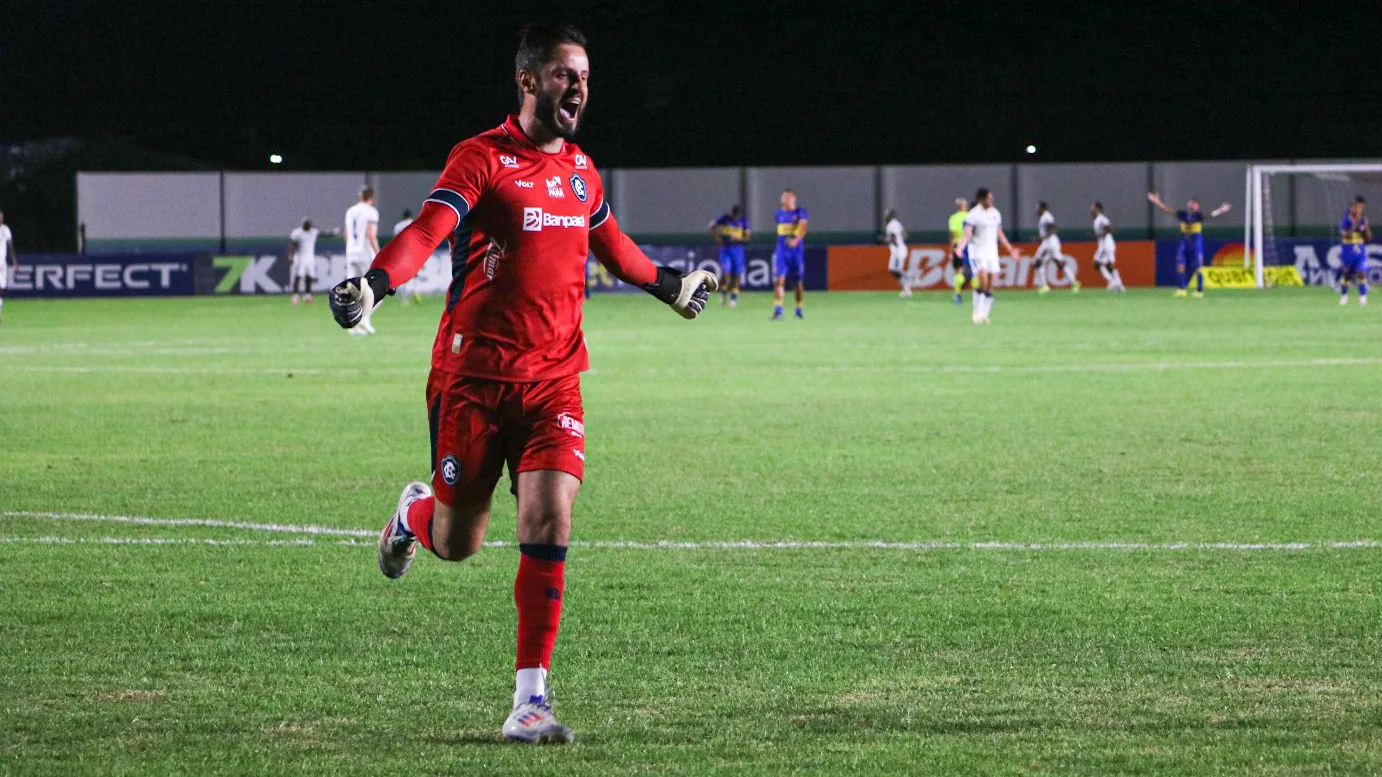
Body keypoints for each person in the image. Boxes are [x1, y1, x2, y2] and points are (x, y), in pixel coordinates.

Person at [327, 22, 715, 745]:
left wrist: (671, 285)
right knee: (458, 542)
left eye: (587, 78)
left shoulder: (581, 170)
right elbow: (426, 230)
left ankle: (529, 698)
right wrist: (376, 284)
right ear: (529, 80)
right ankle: (415, 513)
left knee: (550, 515)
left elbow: (614, 248)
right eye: (568, 75)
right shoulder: (482, 159)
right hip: (472, 379)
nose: (581, 89)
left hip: (554, 382)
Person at [954, 188, 1020, 324]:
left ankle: (984, 314)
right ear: (981, 200)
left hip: (992, 252)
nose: (992, 200)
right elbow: (967, 233)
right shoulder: (973, 214)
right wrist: (960, 248)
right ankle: (977, 313)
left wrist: (1011, 250)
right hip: (977, 251)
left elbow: (1000, 234)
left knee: (990, 285)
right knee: (982, 281)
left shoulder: (995, 213)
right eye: (989, 198)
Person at [1148, 192, 1230, 298]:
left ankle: (1200, 290)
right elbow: (1168, 210)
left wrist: (1221, 210)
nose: (1192, 205)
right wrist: (1157, 202)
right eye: (1191, 203)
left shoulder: (1198, 216)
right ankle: (1182, 289)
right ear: (1188, 204)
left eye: (1195, 204)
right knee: (1180, 265)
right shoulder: (1183, 214)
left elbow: (1209, 216)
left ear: (1198, 206)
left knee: (1198, 266)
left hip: (1195, 244)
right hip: (1184, 243)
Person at [344, 188, 381, 332]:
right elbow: (371, 235)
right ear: (371, 198)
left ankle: (352, 326)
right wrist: (378, 253)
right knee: (380, 287)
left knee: (354, 290)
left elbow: (346, 234)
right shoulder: (371, 212)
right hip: (365, 253)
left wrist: (350, 248)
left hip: (351, 253)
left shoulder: (350, 211)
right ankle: (364, 317)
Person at [771, 189, 808, 319]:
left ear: (793, 199)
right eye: (783, 197)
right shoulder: (778, 213)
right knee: (778, 280)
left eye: (787, 197)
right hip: (781, 252)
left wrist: (795, 240)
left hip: (796, 252)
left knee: (797, 281)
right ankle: (778, 311)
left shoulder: (800, 212)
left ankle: (798, 310)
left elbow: (803, 227)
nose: (783, 200)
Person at [287, 218, 338, 305]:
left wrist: (334, 232)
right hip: (300, 257)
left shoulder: (313, 232)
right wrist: (291, 255)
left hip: (310, 258)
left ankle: (307, 295)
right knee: (298, 276)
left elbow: (324, 234)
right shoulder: (297, 233)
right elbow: (292, 244)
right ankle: (295, 296)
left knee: (309, 276)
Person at [1032, 202, 1079, 294]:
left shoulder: (1046, 217)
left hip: (1049, 243)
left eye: (1037, 208)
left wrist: (1041, 238)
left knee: (1038, 261)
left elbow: (1054, 228)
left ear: (1042, 208)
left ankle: (1044, 286)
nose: (1036, 210)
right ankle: (1075, 282)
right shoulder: (1045, 217)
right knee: (1059, 263)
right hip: (1052, 243)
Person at [708, 205, 749, 306]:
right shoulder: (724, 219)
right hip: (726, 249)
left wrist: (738, 239)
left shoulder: (743, 221)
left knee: (736, 275)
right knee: (725, 273)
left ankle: (734, 297)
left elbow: (747, 237)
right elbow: (711, 227)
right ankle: (723, 294)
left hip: (737, 250)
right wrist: (717, 238)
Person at [1337, 196, 1370, 306]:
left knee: (1361, 273)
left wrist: (1366, 228)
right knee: (1346, 276)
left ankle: (1363, 297)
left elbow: (1368, 238)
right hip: (1347, 254)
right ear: (1352, 207)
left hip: (1360, 254)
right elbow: (1343, 234)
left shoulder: (1362, 220)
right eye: (1358, 207)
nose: (1360, 210)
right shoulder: (1345, 219)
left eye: (1362, 207)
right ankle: (1344, 295)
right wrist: (1354, 227)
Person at [1090, 202, 1126, 292]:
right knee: (1108, 265)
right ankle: (1120, 285)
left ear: (1097, 209)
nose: (1091, 210)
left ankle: (1112, 282)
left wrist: (1098, 235)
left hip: (1105, 244)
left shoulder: (1102, 219)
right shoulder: (1097, 220)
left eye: (1092, 208)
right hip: (1107, 244)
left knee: (1096, 263)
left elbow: (1109, 229)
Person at [393, 210, 424, 305]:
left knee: (404, 275)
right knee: (415, 275)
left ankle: (404, 298)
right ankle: (415, 292)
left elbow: (396, 240)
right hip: (413, 252)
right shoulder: (414, 223)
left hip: (401, 252)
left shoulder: (398, 226)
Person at [948, 198, 973, 305]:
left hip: (958, 246)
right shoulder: (971, 216)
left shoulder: (953, 218)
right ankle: (982, 293)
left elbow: (953, 236)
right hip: (971, 246)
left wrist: (951, 250)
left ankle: (957, 295)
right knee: (972, 272)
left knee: (958, 271)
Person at [883, 209, 910, 297]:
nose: (885, 217)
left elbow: (893, 237)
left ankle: (907, 287)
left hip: (898, 250)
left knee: (896, 270)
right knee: (892, 270)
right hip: (898, 249)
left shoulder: (891, 224)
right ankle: (906, 288)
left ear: (891, 216)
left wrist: (889, 240)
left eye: (886, 215)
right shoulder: (896, 223)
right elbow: (905, 235)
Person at [0, 211, 14, 325]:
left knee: (1, 289)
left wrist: (14, 260)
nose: (1, 219)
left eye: (2, 217)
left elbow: (10, 246)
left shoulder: (5, 230)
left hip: (2, 264)